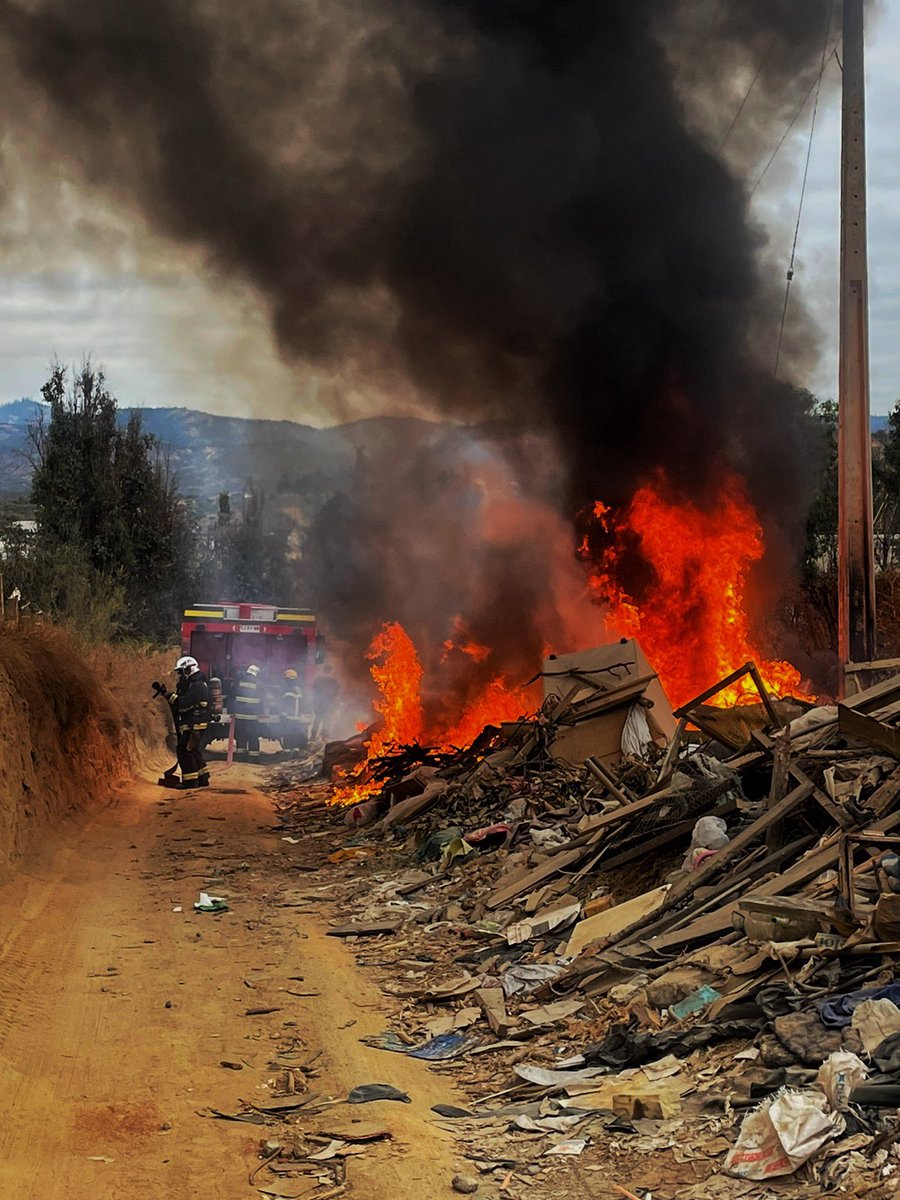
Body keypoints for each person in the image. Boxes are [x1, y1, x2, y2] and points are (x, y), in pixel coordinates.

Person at [163, 655, 210, 788]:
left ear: (189, 669)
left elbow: (184, 703)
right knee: (193, 750)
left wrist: (169, 696)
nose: (180, 675)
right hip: (194, 723)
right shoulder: (196, 683)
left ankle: (190, 781)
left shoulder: (197, 685)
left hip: (194, 724)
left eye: (181, 672)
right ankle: (202, 777)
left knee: (184, 751)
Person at [234, 663, 262, 761]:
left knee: (240, 735)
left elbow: (233, 694)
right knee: (253, 736)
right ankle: (253, 757)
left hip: (240, 714)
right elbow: (262, 698)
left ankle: (240, 755)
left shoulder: (239, 681)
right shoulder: (258, 683)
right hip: (252, 716)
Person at [311, 664, 340, 741]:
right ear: (331, 671)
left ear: (323, 670)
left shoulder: (318, 680)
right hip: (329, 704)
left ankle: (313, 736)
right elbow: (336, 694)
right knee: (326, 721)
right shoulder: (334, 682)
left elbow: (315, 692)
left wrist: (314, 704)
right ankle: (324, 738)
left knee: (317, 720)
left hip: (318, 704)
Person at [280, 668, 307, 747]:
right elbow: (302, 704)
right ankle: (295, 751)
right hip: (297, 719)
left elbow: (285, 704)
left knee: (288, 738)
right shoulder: (299, 690)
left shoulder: (288, 690)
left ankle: (287, 752)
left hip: (289, 718)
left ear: (288, 680)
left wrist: (283, 714)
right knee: (295, 738)